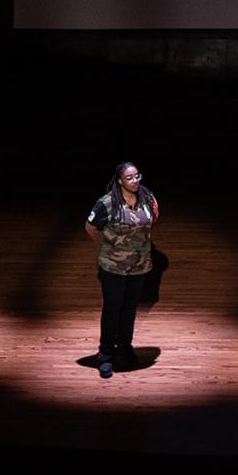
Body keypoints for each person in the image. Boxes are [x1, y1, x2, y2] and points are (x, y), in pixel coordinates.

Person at [83, 162, 160, 378]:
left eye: (137, 176)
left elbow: (152, 219)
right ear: (119, 180)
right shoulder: (106, 203)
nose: (135, 180)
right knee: (112, 309)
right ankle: (106, 355)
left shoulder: (147, 198)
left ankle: (125, 348)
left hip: (139, 266)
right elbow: (90, 228)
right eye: (130, 177)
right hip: (113, 267)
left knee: (129, 309)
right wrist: (107, 248)